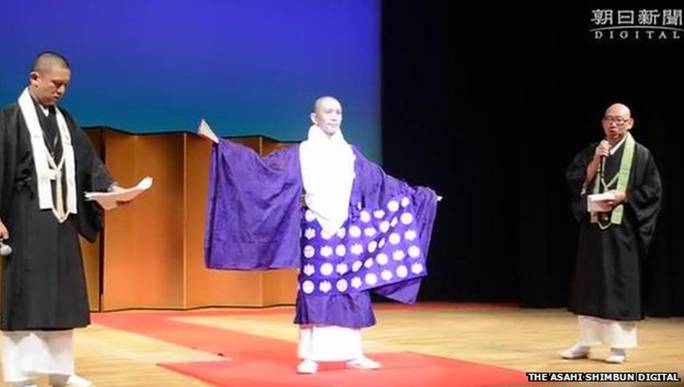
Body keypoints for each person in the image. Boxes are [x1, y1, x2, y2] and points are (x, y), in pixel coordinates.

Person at [201, 96, 439, 374]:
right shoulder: (300, 152)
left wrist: (420, 197)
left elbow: (383, 184)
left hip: (348, 230)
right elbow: (261, 169)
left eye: (339, 112)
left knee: (352, 286)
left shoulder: (351, 154)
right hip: (316, 229)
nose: (335, 116)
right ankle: (310, 355)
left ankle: (354, 353)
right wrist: (223, 147)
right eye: (328, 111)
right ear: (315, 118)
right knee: (315, 285)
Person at [0, 52, 123, 387]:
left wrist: (110, 189)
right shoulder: (9, 120)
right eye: (56, 83)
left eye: (66, 85)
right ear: (34, 78)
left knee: (62, 298)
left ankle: (59, 372)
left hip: (61, 220)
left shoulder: (65, 122)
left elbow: (87, 163)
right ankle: (20, 375)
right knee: (26, 299)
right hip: (24, 221)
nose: (61, 91)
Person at [563, 102, 662, 364]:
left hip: (623, 231)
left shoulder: (641, 155)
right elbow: (574, 180)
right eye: (609, 119)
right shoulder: (593, 150)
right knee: (589, 286)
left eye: (620, 120)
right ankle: (585, 342)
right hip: (593, 229)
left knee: (619, 286)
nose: (614, 125)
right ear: (603, 123)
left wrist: (625, 197)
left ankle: (619, 347)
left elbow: (653, 192)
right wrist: (595, 162)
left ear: (630, 123)